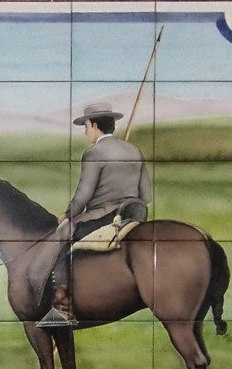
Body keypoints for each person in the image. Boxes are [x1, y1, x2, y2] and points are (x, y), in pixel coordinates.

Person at [39, 102, 153, 327]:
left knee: (58, 240)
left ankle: (62, 307)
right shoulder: (133, 150)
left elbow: (83, 194)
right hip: (133, 214)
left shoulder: (94, 152)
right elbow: (146, 194)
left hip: (103, 216)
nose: (86, 132)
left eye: (86, 126)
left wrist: (68, 215)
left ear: (93, 124)